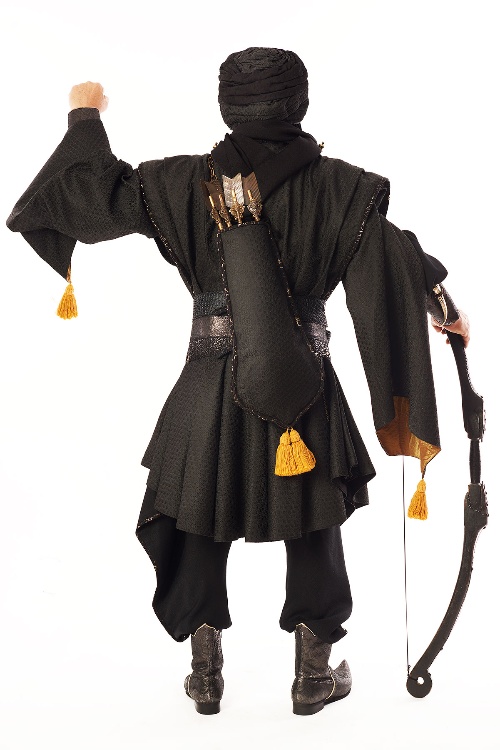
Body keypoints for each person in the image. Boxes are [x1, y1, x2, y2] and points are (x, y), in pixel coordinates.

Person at [6, 47, 470, 717]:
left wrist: (85, 114)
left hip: (209, 383)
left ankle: (205, 676)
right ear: (300, 102)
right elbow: (394, 257)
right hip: (305, 385)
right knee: (313, 522)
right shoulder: (343, 188)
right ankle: (313, 678)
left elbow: (93, 192)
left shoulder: (177, 184)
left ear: (226, 106)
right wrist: (444, 307)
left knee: (199, 515)